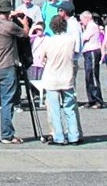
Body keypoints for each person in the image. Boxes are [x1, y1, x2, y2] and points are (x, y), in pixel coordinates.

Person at [0, 0, 30, 144]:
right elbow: (25, 34)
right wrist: (24, 23)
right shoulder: (10, 26)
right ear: (8, 11)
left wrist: (12, 15)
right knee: (7, 101)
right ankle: (7, 134)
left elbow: (4, 19)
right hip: (7, 66)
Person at [40, 14, 82, 145]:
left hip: (51, 77)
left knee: (54, 109)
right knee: (69, 107)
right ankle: (74, 135)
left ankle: (58, 136)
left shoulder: (48, 41)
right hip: (67, 76)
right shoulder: (70, 40)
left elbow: (42, 59)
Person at [80, 11, 104, 108]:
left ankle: (97, 99)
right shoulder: (87, 27)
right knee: (88, 76)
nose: (81, 22)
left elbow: (84, 38)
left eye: (82, 20)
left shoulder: (92, 26)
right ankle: (91, 99)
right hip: (87, 52)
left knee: (93, 75)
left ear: (87, 18)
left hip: (92, 51)